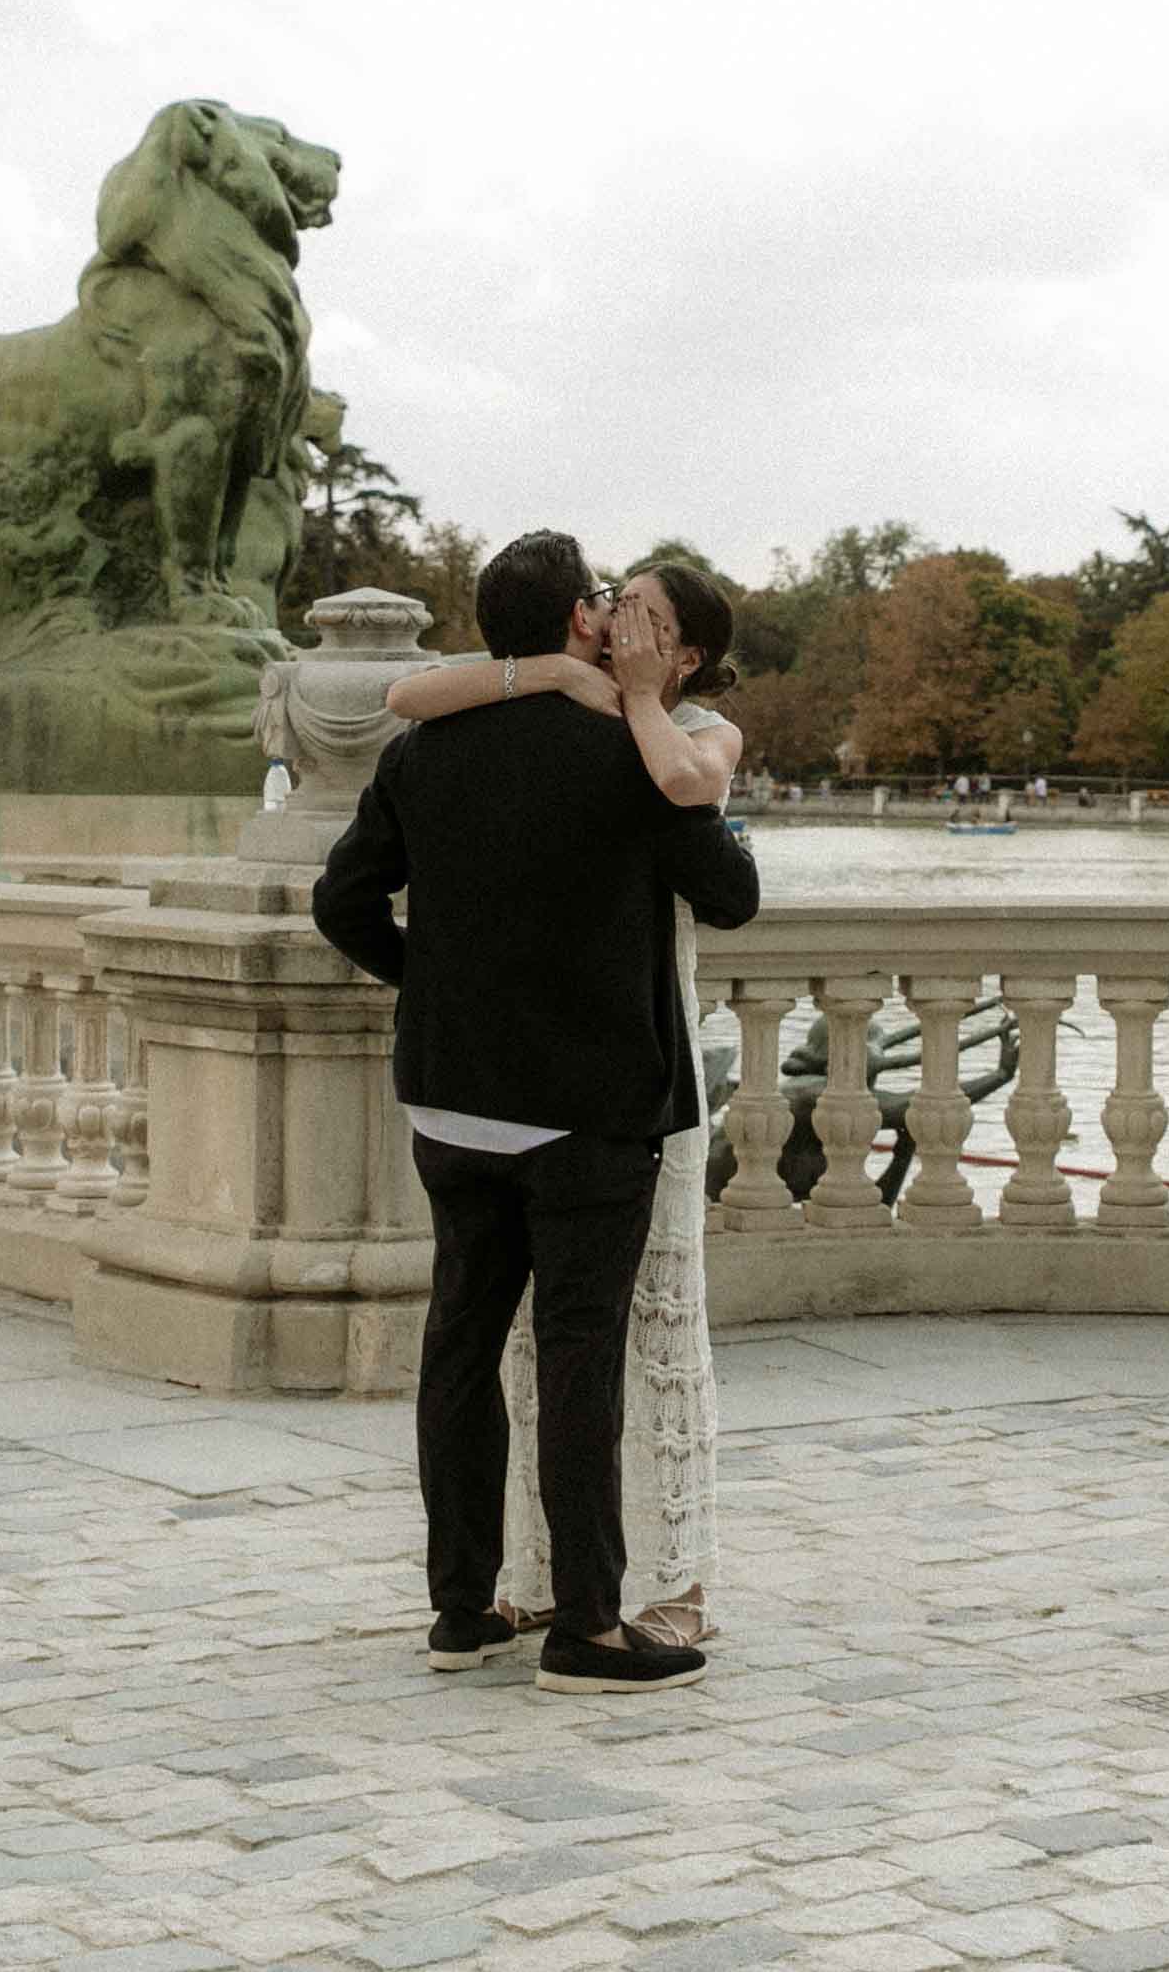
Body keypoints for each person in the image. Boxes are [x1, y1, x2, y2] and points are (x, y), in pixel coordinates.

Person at [318, 533, 758, 1697]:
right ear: (576, 621)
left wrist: (435, 984)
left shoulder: (428, 748)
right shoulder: (620, 748)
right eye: (604, 602)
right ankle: (588, 1625)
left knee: (459, 1345)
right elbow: (730, 893)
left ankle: (460, 1608)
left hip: (452, 1099)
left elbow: (341, 900)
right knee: (577, 1358)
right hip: (584, 1109)